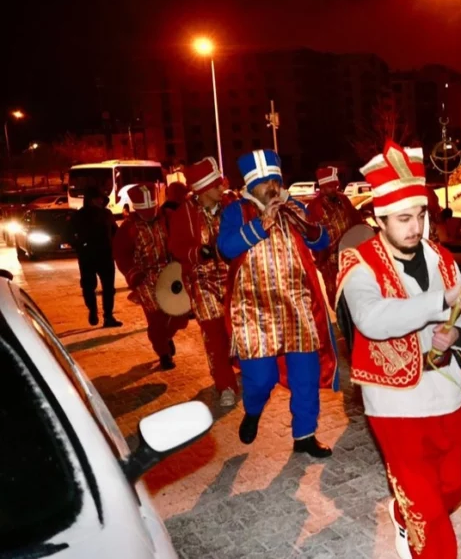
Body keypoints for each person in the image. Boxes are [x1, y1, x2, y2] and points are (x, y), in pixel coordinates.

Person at [339, 141, 461, 559]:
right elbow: (372, 318)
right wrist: (440, 303)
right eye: (403, 218)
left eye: (420, 215)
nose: (415, 226)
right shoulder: (357, 263)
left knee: (454, 487)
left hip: (447, 391)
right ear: (378, 218)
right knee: (428, 509)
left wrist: (458, 335)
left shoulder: (441, 258)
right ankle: (418, 525)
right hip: (393, 401)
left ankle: (404, 515)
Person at [218, 149, 338, 458]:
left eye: (275, 180)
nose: (272, 187)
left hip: (297, 308)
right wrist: (262, 224)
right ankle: (254, 410)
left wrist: (307, 225)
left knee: (306, 377)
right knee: (260, 379)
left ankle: (305, 435)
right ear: (251, 185)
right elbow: (227, 248)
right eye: (265, 182)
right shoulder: (236, 211)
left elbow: (322, 240)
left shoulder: (293, 206)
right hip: (253, 312)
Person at [168, 157, 238, 407]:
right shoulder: (183, 214)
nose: (222, 189)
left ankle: (238, 370)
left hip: (233, 280)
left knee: (237, 331)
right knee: (214, 335)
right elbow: (176, 247)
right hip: (202, 283)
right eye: (217, 185)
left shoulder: (231, 206)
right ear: (204, 189)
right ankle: (225, 384)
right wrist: (197, 252)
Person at [114, 184, 187, 369]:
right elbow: (122, 255)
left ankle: (166, 337)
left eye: (153, 209)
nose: (150, 213)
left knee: (180, 314)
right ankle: (164, 354)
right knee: (156, 320)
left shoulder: (167, 218)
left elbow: (179, 240)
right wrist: (134, 274)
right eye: (146, 211)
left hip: (170, 274)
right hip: (145, 279)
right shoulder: (128, 228)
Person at [306, 166, 362, 309]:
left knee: (353, 291)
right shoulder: (314, 208)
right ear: (323, 187)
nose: (335, 189)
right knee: (335, 294)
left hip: (348, 255)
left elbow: (357, 220)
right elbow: (311, 236)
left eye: (335, 186)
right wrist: (320, 257)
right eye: (331, 187)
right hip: (329, 261)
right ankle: (340, 320)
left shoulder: (343, 200)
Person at [71, 186, 122, 328]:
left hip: (106, 255)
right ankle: (93, 310)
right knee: (88, 286)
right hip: (87, 256)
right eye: (97, 198)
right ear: (90, 200)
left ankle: (108, 316)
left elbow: (115, 232)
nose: (100, 201)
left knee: (108, 288)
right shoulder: (79, 215)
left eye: (102, 198)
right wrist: (80, 245)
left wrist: (117, 245)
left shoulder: (107, 214)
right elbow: (69, 234)